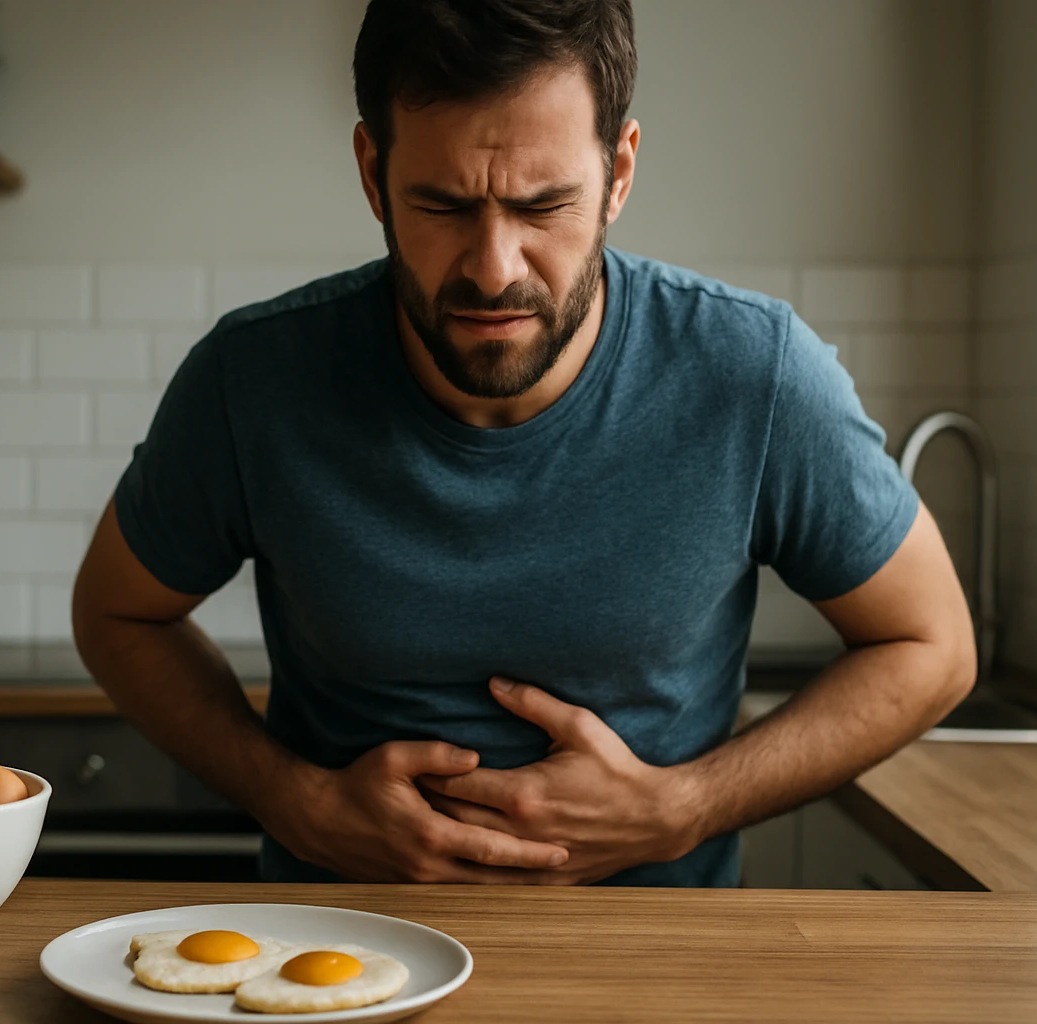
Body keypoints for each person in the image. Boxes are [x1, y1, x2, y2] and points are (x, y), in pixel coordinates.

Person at [72, 0, 975, 887]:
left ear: (619, 173)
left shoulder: (756, 375)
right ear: (373, 173)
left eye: (544, 206)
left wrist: (686, 807)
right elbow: (117, 615)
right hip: (333, 958)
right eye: (441, 205)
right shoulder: (251, 380)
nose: (494, 268)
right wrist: (292, 800)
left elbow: (932, 646)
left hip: (655, 962)